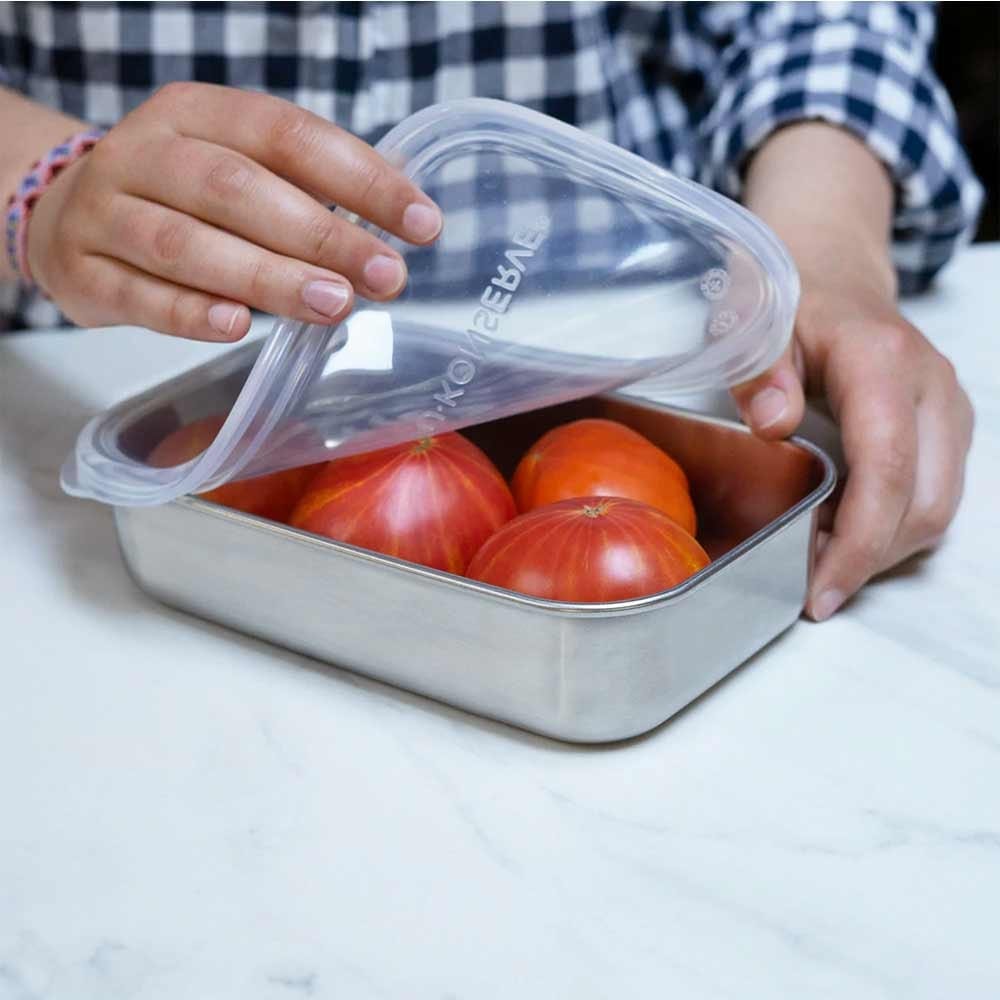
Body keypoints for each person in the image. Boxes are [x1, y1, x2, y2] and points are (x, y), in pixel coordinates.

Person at [0, 2, 981, 620]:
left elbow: (822, 17)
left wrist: (821, 248)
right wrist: (39, 189)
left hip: (638, 328)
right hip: (110, 345)